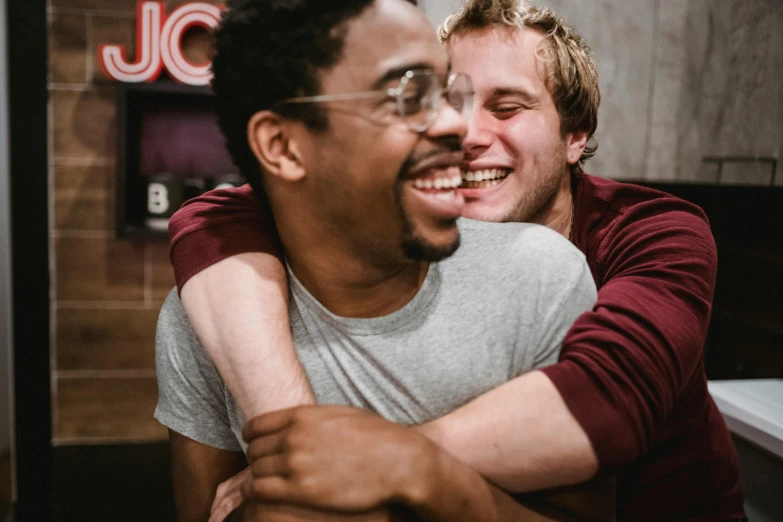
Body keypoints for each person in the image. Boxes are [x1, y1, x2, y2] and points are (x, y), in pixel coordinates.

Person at [166, 0, 749, 520]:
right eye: (443, 98)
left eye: (509, 106)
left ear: (576, 136)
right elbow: (216, 215)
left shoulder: (657, 232)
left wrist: (342, 467)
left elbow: (609, 403)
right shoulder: (409, 224)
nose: (463, 130)